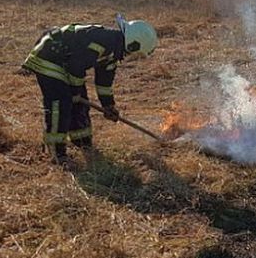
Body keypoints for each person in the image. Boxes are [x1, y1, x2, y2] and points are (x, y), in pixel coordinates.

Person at [22, 15, 158, 165]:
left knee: (80, 102)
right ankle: (56, 152)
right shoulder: (101, 41)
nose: (132, 56)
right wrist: (75, 92)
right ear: (133, 45)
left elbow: (104, 83)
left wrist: (108, 105)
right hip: (49, 57)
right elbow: (76, 65)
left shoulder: (114, 51)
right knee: (61, 103)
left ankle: (82, 141)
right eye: (136, 53)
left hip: (66, 64)